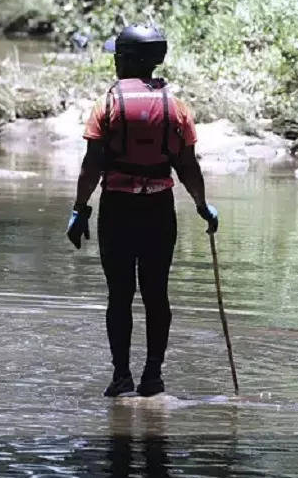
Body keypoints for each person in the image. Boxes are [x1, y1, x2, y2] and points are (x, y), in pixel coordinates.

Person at [66, 25, 219, 397]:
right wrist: (202, 205)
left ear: (128, 61)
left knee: (119, 294)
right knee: (157, 293)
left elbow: (92, 166)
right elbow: (188, 166)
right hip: (158, 211)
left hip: (118, 211)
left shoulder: (107, 105)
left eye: (118, 56)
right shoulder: (176, 108)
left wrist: (79, 208)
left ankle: (121, 376)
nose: (115, 62)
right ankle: (153, 376)